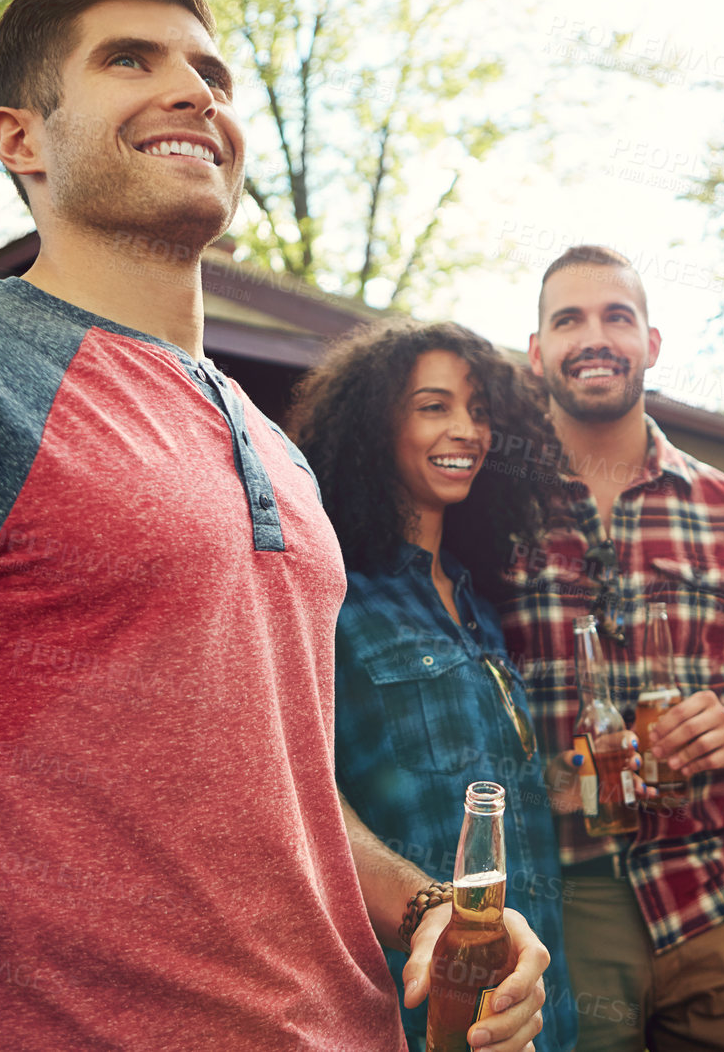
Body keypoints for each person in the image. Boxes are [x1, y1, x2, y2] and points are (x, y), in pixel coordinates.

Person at [0, 0, 545, 1051]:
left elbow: (274, 792)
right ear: (21, 138)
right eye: (129, 59)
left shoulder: (282, 453)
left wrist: (429, 904)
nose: (197, 92)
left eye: (211, 72)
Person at [500, 244, 724, 1052]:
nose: (595, 337)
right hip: (554, 911)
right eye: (568, 319)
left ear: (651, 342)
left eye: (617, 316)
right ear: (537, 352)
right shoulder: (486, 504)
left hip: (713, 896)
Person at [287, 319, 578, 1051]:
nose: (466, 430)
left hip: (536, 1000)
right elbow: (297, 793)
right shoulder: (328, 595)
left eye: (479, 410)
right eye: (433, 406)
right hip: (411, 1004)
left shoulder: (481, 604)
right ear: (373, 425)